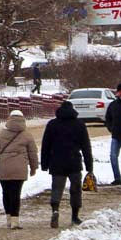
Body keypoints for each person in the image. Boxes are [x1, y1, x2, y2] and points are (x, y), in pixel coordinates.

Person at [41, 98, 94, 228]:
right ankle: (75, 216)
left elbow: (45, 145)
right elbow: (86, 147)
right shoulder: (79, 124)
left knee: (57, 188)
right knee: (75, 190)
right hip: (74, 162)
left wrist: (44, 164)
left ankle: (55, 210)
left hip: (57, 162)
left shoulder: (52, 124)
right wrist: (89, 166)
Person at [0, 109, 38, 229]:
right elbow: (33, 153)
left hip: (3, 168)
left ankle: (8, 218)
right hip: (19, 169)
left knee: (6, 192)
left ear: (9, 119)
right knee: (16, 193)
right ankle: (15, 220)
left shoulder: (0, 134)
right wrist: (34, 167)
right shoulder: (27, 135)